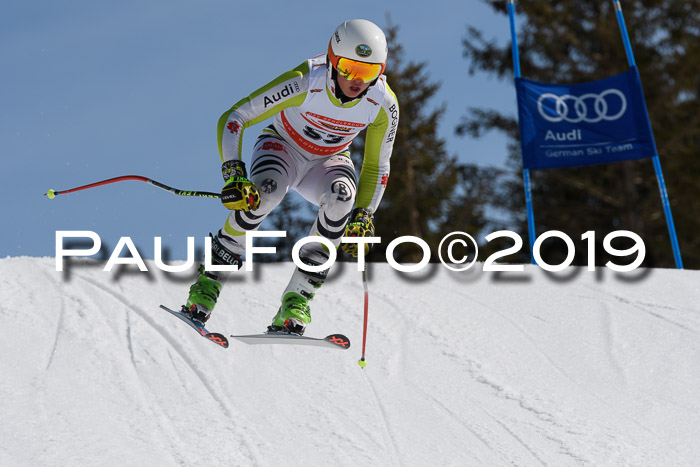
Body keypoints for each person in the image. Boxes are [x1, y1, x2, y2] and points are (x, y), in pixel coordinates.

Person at [183, 19, 399, 335]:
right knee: (265, 194)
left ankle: (297, 299)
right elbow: (236, 117)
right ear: (332, 60)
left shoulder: (382, 103)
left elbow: (377, 166)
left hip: (327, 161)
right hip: (282, 147)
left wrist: (365, 214)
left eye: (368, 72)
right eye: (350, 69)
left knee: (342, 198)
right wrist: (234, 174)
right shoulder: (306, 80)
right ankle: (209, 281)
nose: (357, 81)